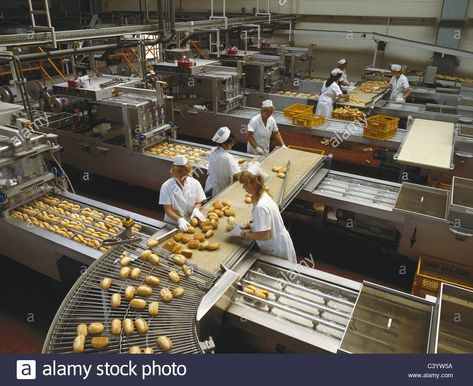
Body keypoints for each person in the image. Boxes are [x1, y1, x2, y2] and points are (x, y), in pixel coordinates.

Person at [227, 163, 296, 263]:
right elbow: (267, 223)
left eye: (245, 184)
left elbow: (265, 235)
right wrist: (251, 225)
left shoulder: (261, 206)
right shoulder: (263, 195)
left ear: (255, 184)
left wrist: (243, 234)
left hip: (275, 248)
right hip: (278, 241)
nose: (243, 188)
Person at [159, 155, 206, 231]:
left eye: (185, 175)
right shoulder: (166, 186)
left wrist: (196, 209)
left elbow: (198, 201)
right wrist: (179, 219)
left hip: (190, 220)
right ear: (174, 172)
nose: (182, 178)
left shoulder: (195, 183)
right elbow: (168, 210)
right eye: (179, 175)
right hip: (173, 223)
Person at [205, 126, 241, 197]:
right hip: (221, 190)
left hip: (210, 186)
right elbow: (238, 175)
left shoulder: (213, 150)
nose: (233, 145)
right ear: (225, 144)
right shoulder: (228, 157)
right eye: (231, 143)